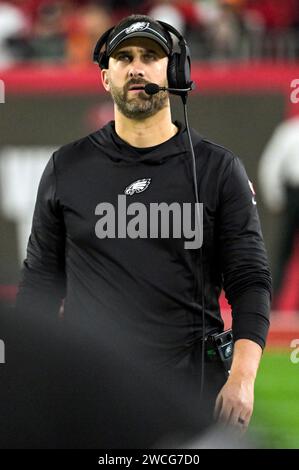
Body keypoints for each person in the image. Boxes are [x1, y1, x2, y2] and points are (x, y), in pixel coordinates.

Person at [15, 14, 272, 443]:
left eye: (150, 56)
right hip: (89, 392)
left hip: (188, 392)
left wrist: (243, 377)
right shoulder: (67, 167)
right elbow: (40, 284)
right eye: (124, 57)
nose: (136, 67)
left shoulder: (217, 168)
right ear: (105, 77)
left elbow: (250, 280)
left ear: (175, 72)